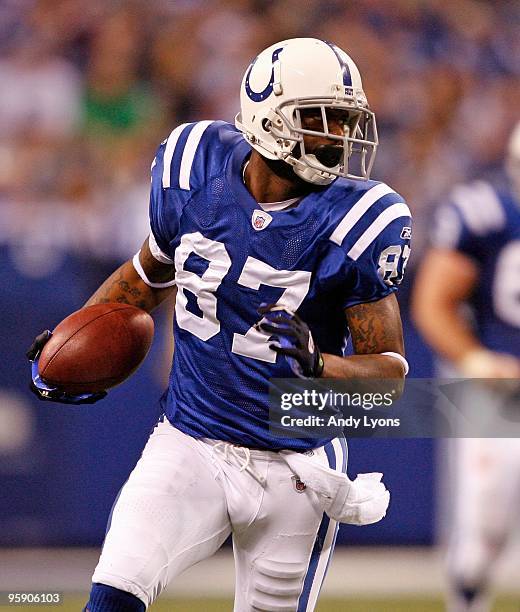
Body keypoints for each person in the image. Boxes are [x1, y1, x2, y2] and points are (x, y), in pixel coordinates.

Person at [27, 38, 411, 611]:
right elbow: (147, 274)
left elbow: (390, 379)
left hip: (297, 465)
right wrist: (76, 331)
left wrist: (319, 366)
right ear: (267, 115)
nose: (335, 137)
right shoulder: (192, 165)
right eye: (318, 119)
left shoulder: (361, 220)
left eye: (343, 120)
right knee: (112, 597)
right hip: (191, 441)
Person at [412, 122, 520, 612]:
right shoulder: (487, 215)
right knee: (484, 530)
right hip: (501, 391)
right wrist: (475, 358)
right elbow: (433, 303)